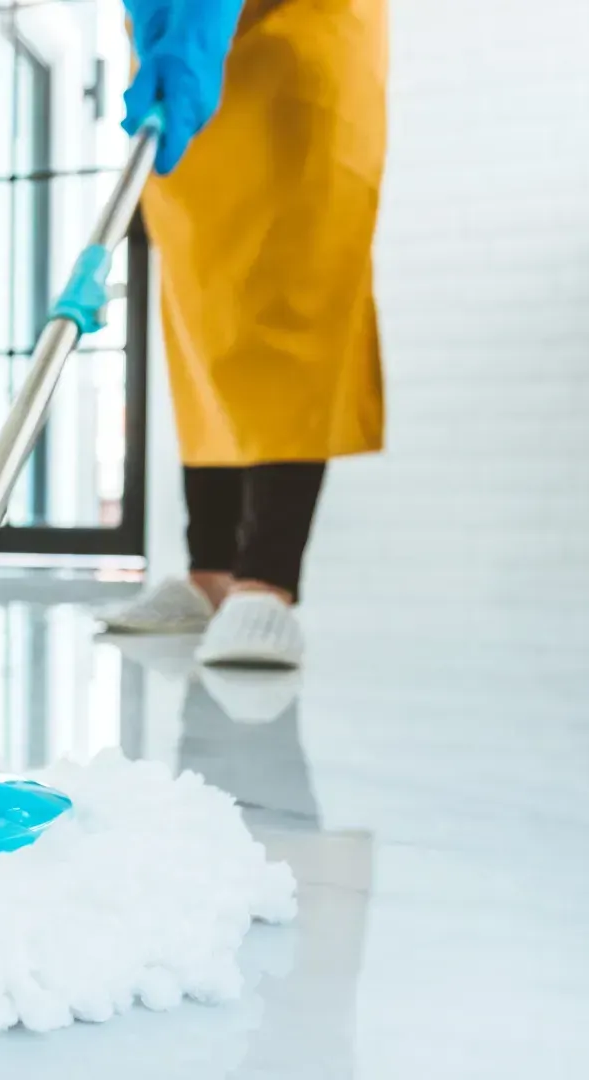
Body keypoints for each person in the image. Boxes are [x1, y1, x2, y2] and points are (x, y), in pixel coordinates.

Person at [97, 0, 388, 669]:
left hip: (298, 34)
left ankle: (267, 579)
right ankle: (211, 574)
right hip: (189, 60)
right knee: (205, 314)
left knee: (294, 296)